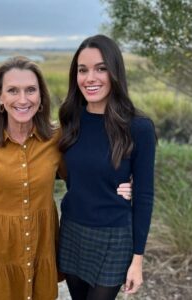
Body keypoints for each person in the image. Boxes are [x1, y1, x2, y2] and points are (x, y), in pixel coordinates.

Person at [0, 56, 132, 300]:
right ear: (0, 98)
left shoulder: (55, 139)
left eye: (30, 90)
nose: (23, 99)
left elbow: (82, 174)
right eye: (12, 91)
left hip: (41, 246)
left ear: (40, 97)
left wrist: (123, 180)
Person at [58, 34, 156, 300]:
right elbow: (55, 169)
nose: (90, 78)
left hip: (113, 237)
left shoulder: (138, 128)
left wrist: (138, 259)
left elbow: (145, 196)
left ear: (115, 72)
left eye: (101, 68)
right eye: (83, 70)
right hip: (72, 230)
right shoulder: (70, 119)